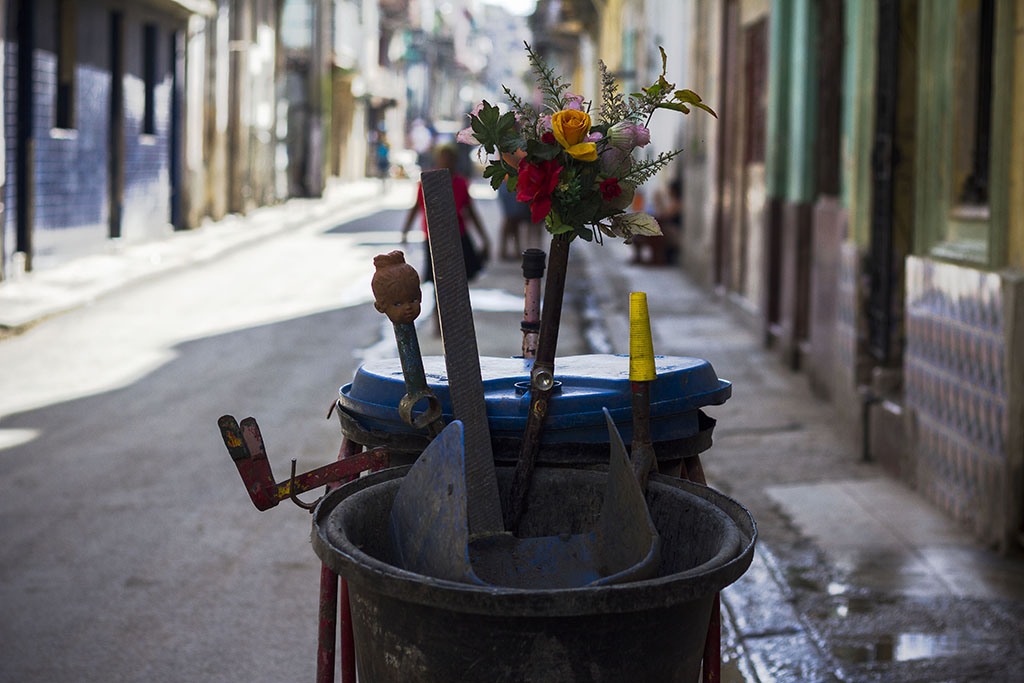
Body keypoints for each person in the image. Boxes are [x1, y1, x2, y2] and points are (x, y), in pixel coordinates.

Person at [401, 144, 490, 284]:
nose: (447, 161)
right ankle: (438, 306)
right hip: (434, 236)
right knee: (438, 279)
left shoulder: (461, 183)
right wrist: (405, 230)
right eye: (444, 157)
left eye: (450, 158)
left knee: (458, 278)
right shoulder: (428, 182)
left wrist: (484, 238)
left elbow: (471, 212)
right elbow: (415, 207)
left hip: (457, 235)